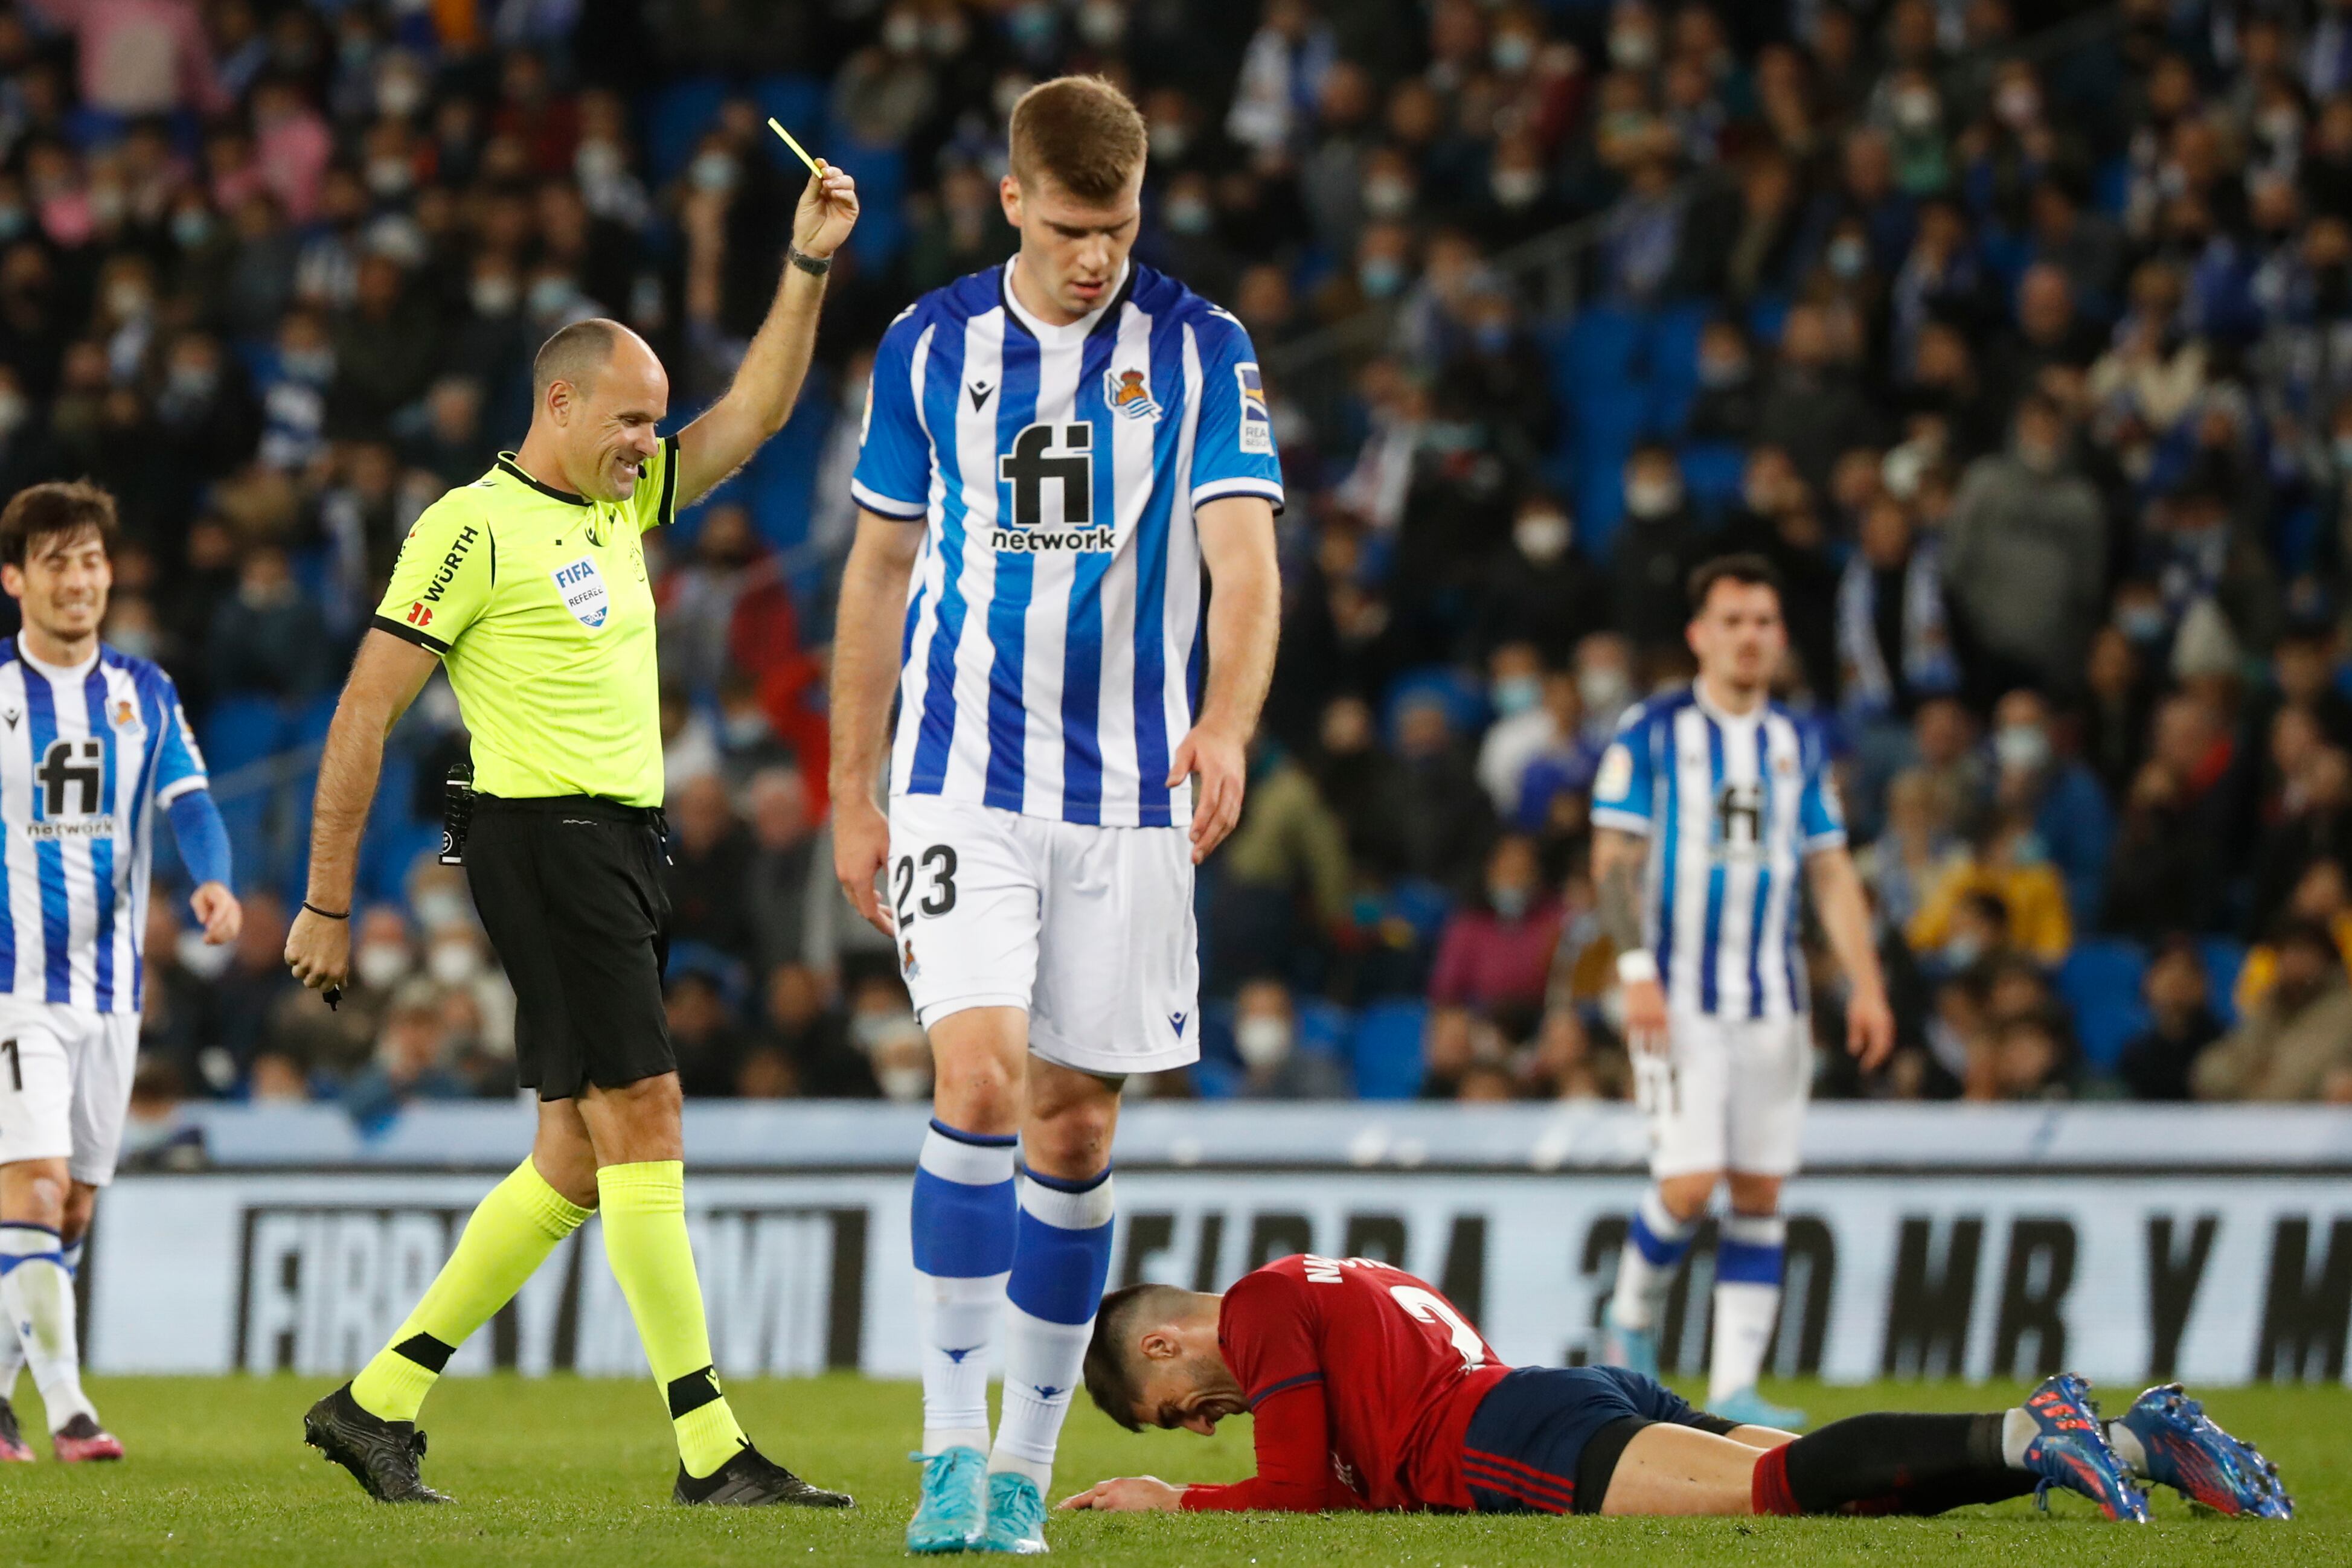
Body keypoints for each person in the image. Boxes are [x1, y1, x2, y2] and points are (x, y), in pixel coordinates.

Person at [281, 160, 862, 1506]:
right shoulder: (468, 529)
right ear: (560, 403)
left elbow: (758, 413)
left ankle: (377, 1402)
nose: (652, 442)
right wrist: (325, 898)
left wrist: (807, 264)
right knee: (647, 1116)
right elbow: (364, 709)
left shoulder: (615, 503)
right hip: (545, 842)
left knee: (575, 1161)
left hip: (618, 846)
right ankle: (711, 1449)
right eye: (632, 419)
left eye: (656, 423)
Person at [827, 75, 1283, 1555]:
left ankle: (1023, 1473)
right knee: (977, 1083)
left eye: (1121, 228)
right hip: (960, 778)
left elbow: (1243, 559)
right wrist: (849, 787)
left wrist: (1226, 722)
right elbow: (878, 576)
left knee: (1075, 1126)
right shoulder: (928, 344)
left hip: (1133, 798)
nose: (1097, 257)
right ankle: (949, 1453)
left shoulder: (1202, 348)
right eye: (1073, 226)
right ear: (1013, 198)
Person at [1063, 1255, 2291, 1522]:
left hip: (1506, 1435)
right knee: (1834, 1497)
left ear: (1163, 1345)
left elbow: (1294, 1488)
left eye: (1181, 1411)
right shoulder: (1334, 1278)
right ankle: (2141, 1440)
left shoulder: (1257, 1306)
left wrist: (1171, 1501)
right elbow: (1340, 1470)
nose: (1203, 1427)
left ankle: (2035, 1430)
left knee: (1779, 1489)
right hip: (1556, 1394)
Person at [1590, 555, 1894, 1430]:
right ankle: (1630, 1317)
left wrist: (1867, 984)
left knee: (1759, 1189)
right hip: (1677, 994)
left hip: (1774, 1000)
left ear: (1781, 635)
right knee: (1690, 1184)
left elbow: (1830, 870)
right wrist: (1635, 971)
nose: (1749, 637)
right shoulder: (1652, 731)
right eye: (1733, 621)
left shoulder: (1800, 740)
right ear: (1700, 635)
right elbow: (1613, 862)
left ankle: (1734, 1387)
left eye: (1763, 621)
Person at [0, 482, 242, 1465]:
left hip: (111, 993)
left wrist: (214, 880)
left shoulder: (146, 689)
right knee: (35, 1186)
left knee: (74, 1206)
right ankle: (70, 1410)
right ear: (15, 579)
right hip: (13, 985)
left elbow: (192, 803)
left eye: (92, 560)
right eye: (56, 562)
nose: (79, 580)